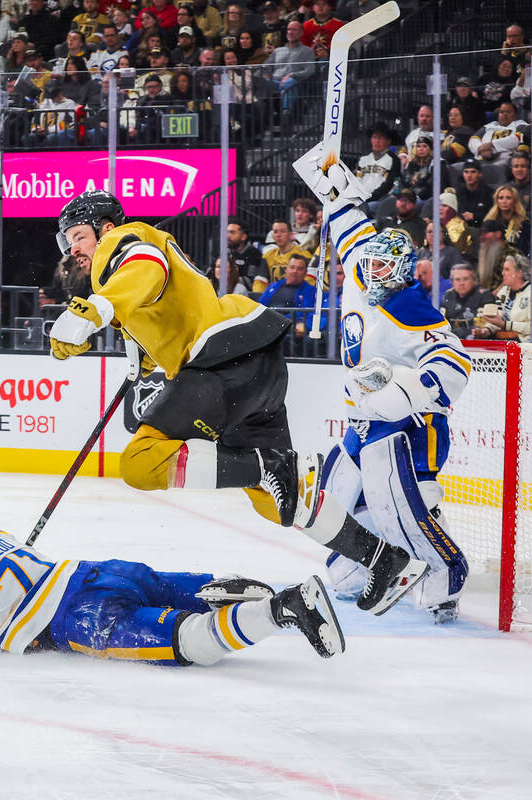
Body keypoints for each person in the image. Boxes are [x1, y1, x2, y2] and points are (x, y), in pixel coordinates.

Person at [47, 190, 429, 616]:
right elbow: (164, 309)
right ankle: (385, 559)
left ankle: (268, 467)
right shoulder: (136, 263)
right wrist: (136, 350)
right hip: (253, 358)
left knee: (140, 463)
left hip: (219, 360)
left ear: (105, 228)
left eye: (78, 236)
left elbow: (144, 269)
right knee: (278, 501)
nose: (74, 249)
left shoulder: (125, 244)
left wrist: (95, 310)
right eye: (67, 242)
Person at [293, 142, 473, 622]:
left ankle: (444, 579)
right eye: (369, 264)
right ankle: (370, 564)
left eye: (380, 267)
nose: (370, 271)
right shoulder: (357, 268)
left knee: (411, 507)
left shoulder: (411, 309)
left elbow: (453, 363)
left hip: (408, 426)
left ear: (400, 271)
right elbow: (352, 231)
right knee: (331, 499)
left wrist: (403, 389)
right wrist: (337, 194)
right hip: (361, 422)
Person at [0, 501, 344, 666]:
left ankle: (282, 609)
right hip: (93, 571)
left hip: (77, 618)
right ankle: (220, 588)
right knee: (167, 585)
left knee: (182, 641)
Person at [472, 253, 531, 342]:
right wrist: (486, 330)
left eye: (507, 269)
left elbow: (529, 327)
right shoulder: (503, 291)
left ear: (519, 273)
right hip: (503, 341)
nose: (503, 273)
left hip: (525, 345)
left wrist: (504, 324)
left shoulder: (529, 292)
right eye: (503, 269)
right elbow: (498, 316)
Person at [440, 264, 494, 339]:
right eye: (457, 279)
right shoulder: (448, 296)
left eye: (465, 279)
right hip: (452, 341)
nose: (461, 283)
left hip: (476, 342)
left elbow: (486, 326)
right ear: (452, 282)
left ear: (474, 280)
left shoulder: (485, 296)